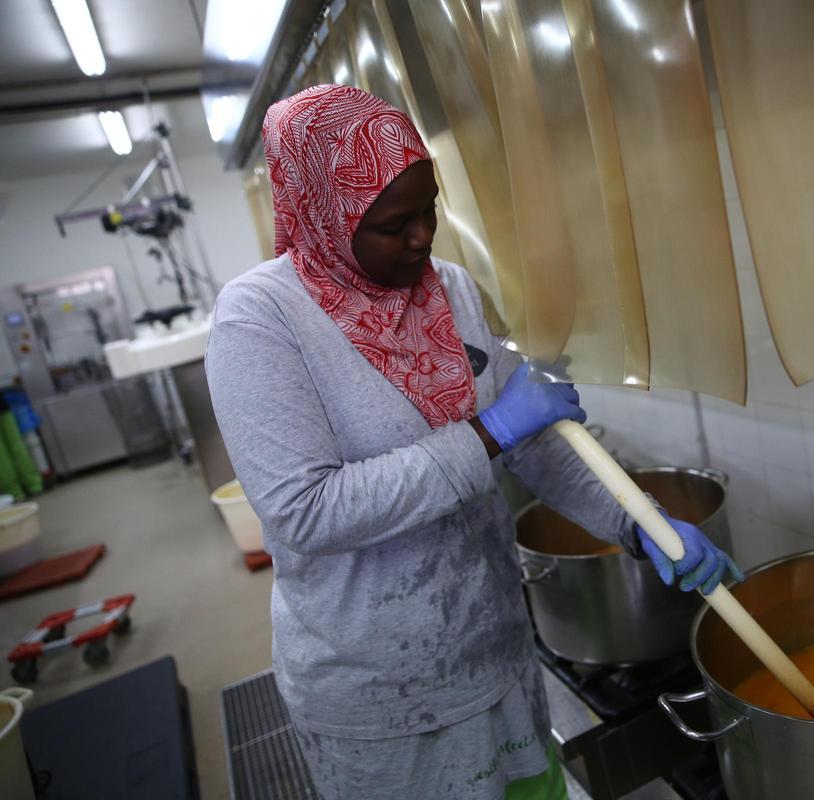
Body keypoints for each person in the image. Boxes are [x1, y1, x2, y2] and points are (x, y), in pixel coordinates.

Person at [206, 84, 741, 800]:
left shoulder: (447, 289)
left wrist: (639, 523)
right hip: (383, 698)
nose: (423, 236)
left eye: (427, 208)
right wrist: (488, 431)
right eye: (394, 222)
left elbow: (537, 444)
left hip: (494, 652)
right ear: (327, 217)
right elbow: (306, 511)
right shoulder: (261, 321)